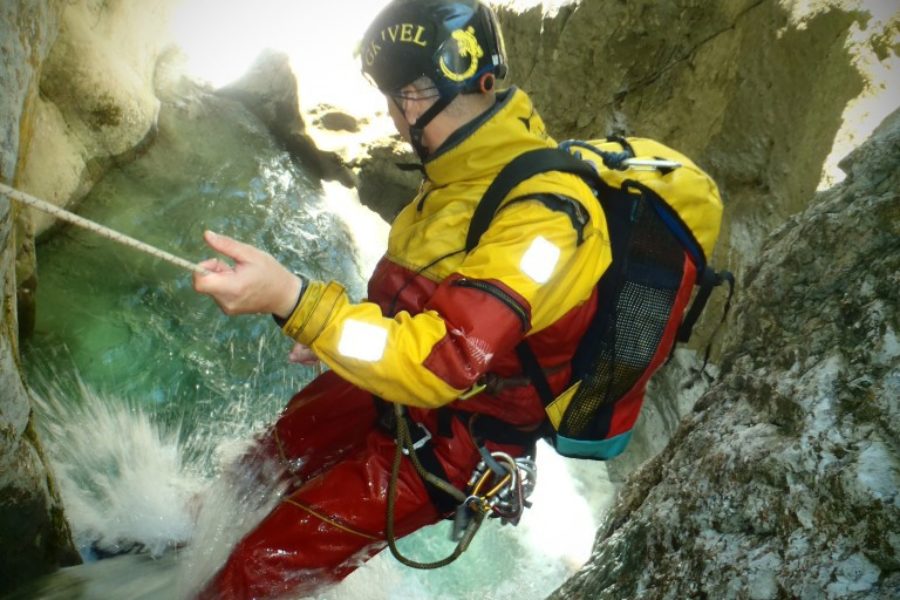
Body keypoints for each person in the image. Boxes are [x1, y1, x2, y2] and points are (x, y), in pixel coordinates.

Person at [192, 0, 610, 597]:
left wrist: (296, 303)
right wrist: (333, 333)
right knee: (259, 467)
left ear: (444, 89)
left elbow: (449, 360)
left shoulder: (544, 223)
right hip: (399, 384)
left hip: (450, 438)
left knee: (258, 568)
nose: (392, 117)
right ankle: (184, 537)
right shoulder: (460, 175)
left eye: (403, 97)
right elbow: (418, 298)